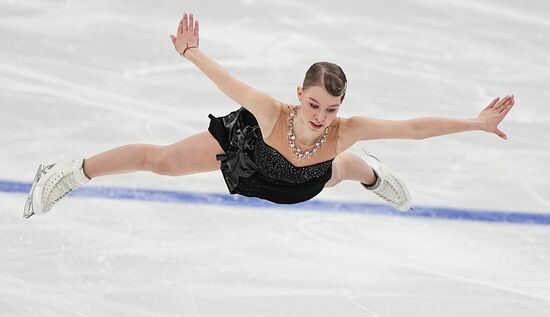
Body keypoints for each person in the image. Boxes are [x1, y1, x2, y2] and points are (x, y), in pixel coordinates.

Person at [22, 13, 515, 218]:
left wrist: (475, 123)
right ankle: (68, 172)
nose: (321, 116)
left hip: (303, 181)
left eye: (331, 108)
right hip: (250, 153)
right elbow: (228, 83)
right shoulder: (272, 114)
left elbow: (413, 129)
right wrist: (190, 53)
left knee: (336, 169)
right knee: (163, 162)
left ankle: (372, 172)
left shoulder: (343, 130)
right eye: (314, 104)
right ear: (300, 94)